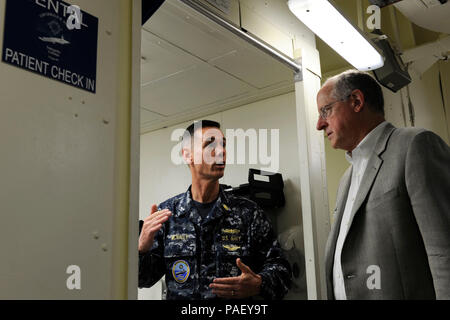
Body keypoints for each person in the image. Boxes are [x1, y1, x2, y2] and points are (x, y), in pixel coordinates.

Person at [316, 69, 450, 299]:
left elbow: (444, 250)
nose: (319, 124)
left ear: (356, 101)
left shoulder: (414, 145)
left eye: (325, 110)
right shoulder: (346, 178)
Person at [138, 120, 291, 300]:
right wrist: (141, 249)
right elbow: (144, 279)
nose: (221, 151)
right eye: (210, 144)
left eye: (223, 144)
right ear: (188, 156)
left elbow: (282, 271)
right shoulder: (167, 214)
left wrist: (259, 283)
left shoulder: (248, 213)